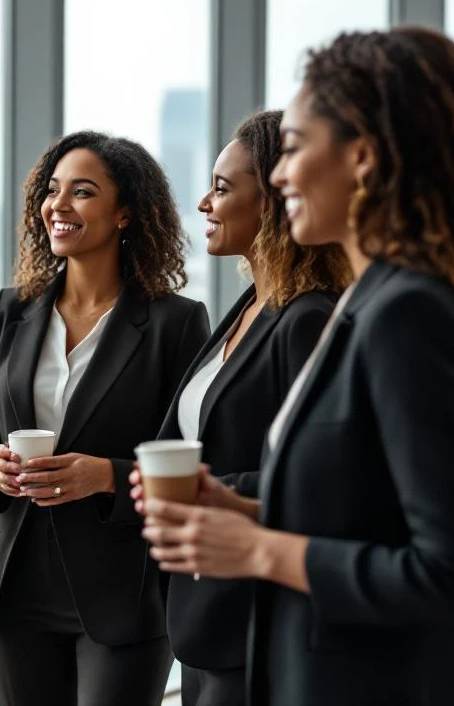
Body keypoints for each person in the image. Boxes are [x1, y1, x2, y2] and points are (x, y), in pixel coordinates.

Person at [140, 28, 454, 706]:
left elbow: (445, 570)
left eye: (295, 148)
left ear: (365, 157)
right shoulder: (366, 304)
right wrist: (247, 508)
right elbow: (370, 517)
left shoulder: (408, 314)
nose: (282, 174)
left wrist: (259, 550)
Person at [0, 130, 210, 706]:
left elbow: (191, 460)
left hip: (123, 593)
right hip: (16, 591)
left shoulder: (176, 324)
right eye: (52, 190)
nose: (59, 205)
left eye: (83, 192)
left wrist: (106, 477)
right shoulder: (10, 310)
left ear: (125, 214)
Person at [130, 110, 351, 706]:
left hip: (255, 615)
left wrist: (210, 490)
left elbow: (323, 476)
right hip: (204, 610)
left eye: (223, 189)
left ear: (274, 201)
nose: (204, 202)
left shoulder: (307, 318)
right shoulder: (252, 302)